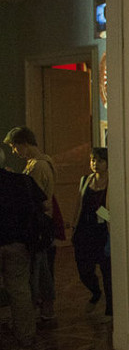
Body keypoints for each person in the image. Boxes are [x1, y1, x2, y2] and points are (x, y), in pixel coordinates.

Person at [4, 126, 59, 322]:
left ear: (24, 144)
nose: (14, 151)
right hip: (42, 223)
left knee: (38, 269)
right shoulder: (44, 161)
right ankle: (45, 309)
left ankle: (38, 310)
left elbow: (32, 197)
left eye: (14, 146)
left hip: (37, 224)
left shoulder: (37, 166)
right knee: (42, 267)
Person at [0, 148, 44, 347]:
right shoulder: (21, 181)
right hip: (18, 242)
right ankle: (25, 334)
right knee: (19, 290)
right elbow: (41, 206)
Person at [72, 147, 112, 322]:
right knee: (84, 269)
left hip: (103, 232)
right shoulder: (85, 180)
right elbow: (78, 206)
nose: (95, 164)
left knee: (107, 272)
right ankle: (95, 292)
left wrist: (101, 213)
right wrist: (74, 227)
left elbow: (114, 213)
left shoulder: (113, 181)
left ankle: (110, 310)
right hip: (84, 231)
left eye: (100, 161)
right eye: (93, 160)